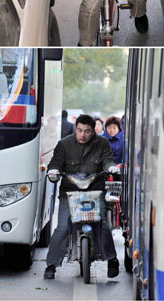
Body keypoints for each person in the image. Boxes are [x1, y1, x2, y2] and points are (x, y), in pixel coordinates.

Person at [44, 114, 120, 279]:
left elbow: (108, 160)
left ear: (93, 131)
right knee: (63, 227)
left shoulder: (102, 143)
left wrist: (112, 167)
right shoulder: (64, 144)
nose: (82, 135)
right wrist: (54, 171)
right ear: (75, 128)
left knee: (102, 224)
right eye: (79, 130)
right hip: (69, 193)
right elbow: (55, 162)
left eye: (87, 131)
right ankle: (51, 265)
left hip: (94, 192)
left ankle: (112, 260)